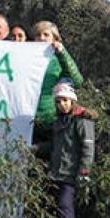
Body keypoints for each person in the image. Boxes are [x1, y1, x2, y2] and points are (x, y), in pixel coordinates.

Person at [48, 81, 95, 218]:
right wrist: (36, 148)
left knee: (64, 204)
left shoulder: (82, 120)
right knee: (58, 206)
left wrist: (84, 171)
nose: (62, 104)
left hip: (71, 173)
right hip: (56, 172)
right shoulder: (59, 121)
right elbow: (55, 146)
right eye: (59, 101)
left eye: (65, 100)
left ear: (72, 100)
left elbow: (88, 148)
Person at [32, 21, 85, 152]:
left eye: (46, 34)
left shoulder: (58, 61)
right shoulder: (27, 59)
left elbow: (77, 81)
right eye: (38, 35)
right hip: (27, 118)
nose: (42, 38)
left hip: (50, 118)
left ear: (55, 38)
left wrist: (62, 53)